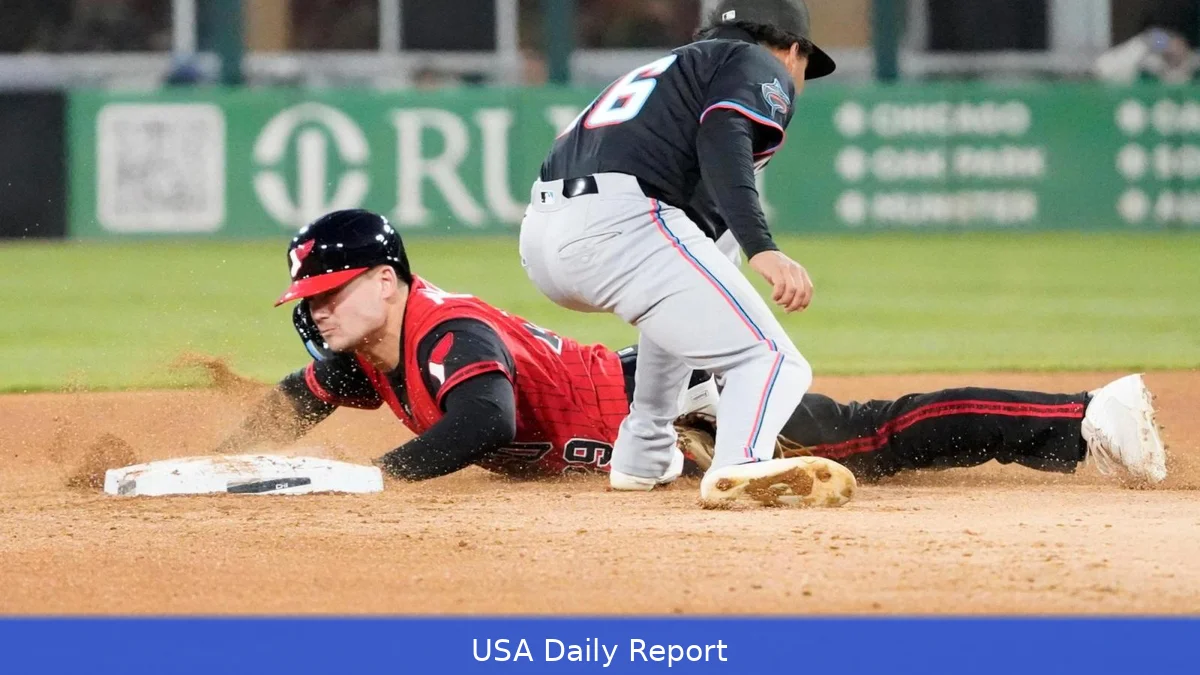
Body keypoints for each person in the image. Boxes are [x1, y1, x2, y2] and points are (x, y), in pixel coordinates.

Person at [218, 209, 1167, 504]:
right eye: (310, 300)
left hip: (681, 400)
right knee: (858, 439)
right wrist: (233, 461)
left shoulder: (444, 330)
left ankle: (1086, 417)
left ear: (385, 280)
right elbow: (290, 400)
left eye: (329, 293)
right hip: (643, 404)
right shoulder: (366, 354)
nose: (319, 313)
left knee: (864, 439)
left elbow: (485, 422)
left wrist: (370, 480)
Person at [517, 0, 838, 505]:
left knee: (683, 300)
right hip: (622, 223)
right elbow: (724, 139)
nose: (796, 78)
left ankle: (642, 453)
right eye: (803, 65)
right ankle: (742, 467)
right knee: (773, 361)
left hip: (545, 235)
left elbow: (698, 248)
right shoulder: (754, 62)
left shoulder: (670, 71)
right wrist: (764, 248)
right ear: (792, 49)